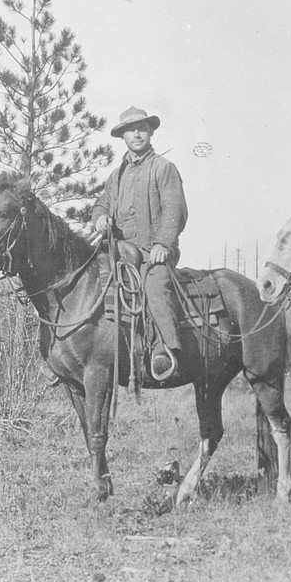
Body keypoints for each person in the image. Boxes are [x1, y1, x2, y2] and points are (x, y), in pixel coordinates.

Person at [92, 107, 188, 379]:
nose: (136, 134)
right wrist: (100, 217)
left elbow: (174, 210)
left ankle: (166, 350)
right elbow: (102, 203)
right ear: (122, 136)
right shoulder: (117, 175)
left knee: (154, 284)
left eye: (141, 128)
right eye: (130, 130)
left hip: (152, 254)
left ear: (150, 132)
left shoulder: (163, 168)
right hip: (121, 253)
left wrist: (163, 244)